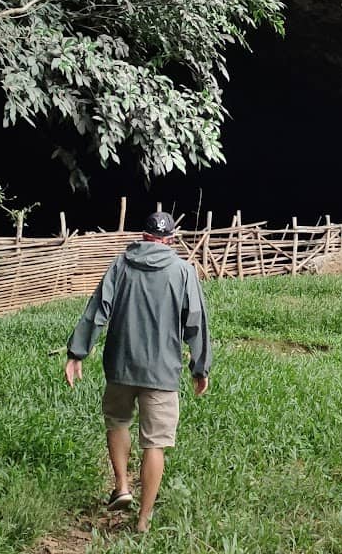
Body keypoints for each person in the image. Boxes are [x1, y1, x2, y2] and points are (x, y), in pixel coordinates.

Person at [64, 210, 211, 533]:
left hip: (120, 365)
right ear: (170, 240)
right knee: (154, 443)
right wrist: (200, 368)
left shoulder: (122, 264)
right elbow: (195, 322)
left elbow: (98, 308)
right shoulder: (183, 271)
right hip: (162, 372)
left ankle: (122, 486)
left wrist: (77, 353)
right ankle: (143, 519)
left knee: (117, 421)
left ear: (143, 236)